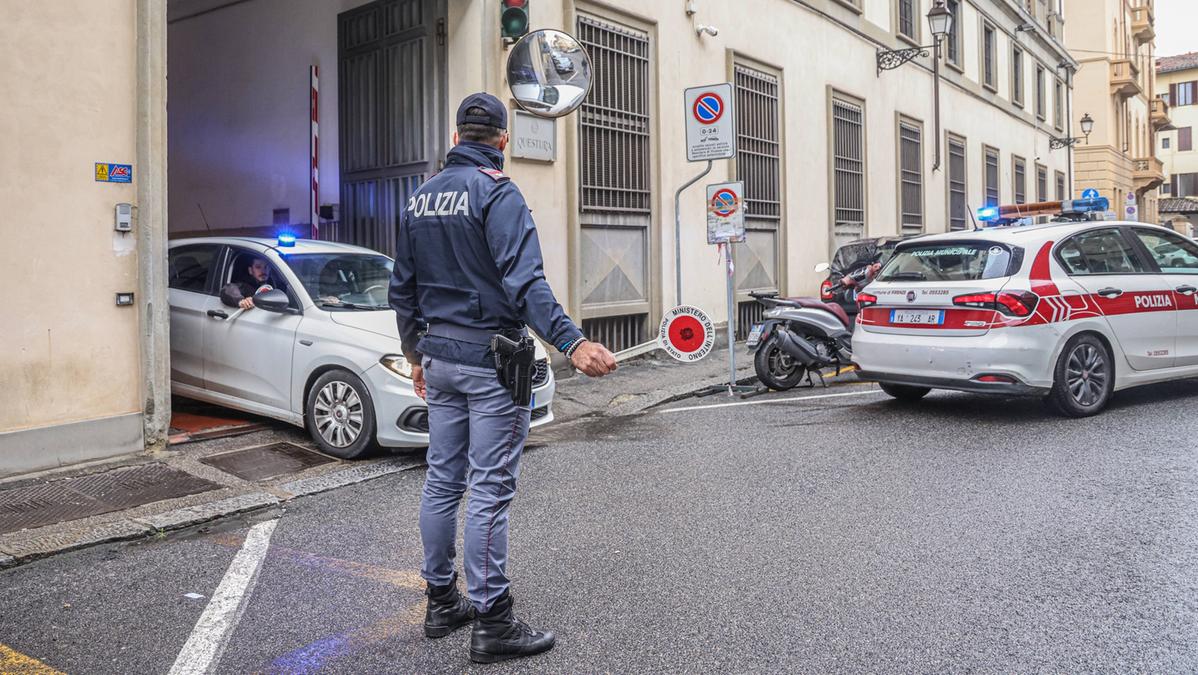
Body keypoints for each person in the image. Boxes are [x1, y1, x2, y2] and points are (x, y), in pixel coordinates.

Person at [389, 92, 618, 664]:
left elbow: (403, 289)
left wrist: (416, 356)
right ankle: (493, 621)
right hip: (490, 363)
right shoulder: (497, 192)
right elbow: (526, 284)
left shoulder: (418, 199)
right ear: (503, 140)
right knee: (489, 489)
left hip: (439, 360)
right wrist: (574, 342)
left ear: (457, 135)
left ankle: (442, 602)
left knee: (443, 481)